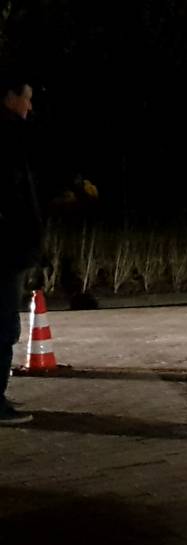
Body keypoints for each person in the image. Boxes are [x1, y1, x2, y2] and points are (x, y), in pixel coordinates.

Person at [0, 74, 40, 425]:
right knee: (2, 328)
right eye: (25, 97)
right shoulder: (9, 136)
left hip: (9, 250)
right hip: (4, 254)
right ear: (9, 97)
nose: (30, 105)